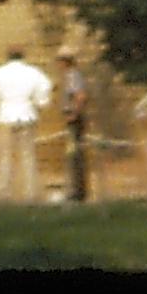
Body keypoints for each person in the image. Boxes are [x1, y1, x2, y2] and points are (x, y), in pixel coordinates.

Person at [0, 45, 53, 200]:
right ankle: (30, 192)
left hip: (4, 115)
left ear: (7, 56)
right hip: (27, 114)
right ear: (23, 56)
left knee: (4, 156)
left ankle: (4, 192)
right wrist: (40, 103)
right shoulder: (33, 72)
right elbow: (46, 85)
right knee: (28, 155)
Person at [59, 58, 93, 201]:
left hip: (74, 119)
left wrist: (74, 114)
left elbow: (80, 96)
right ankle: (76, 188)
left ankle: (78, 191)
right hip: (73, 118)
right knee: (73, 153)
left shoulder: (72, 76)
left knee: (75, 154)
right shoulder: (71, 76)